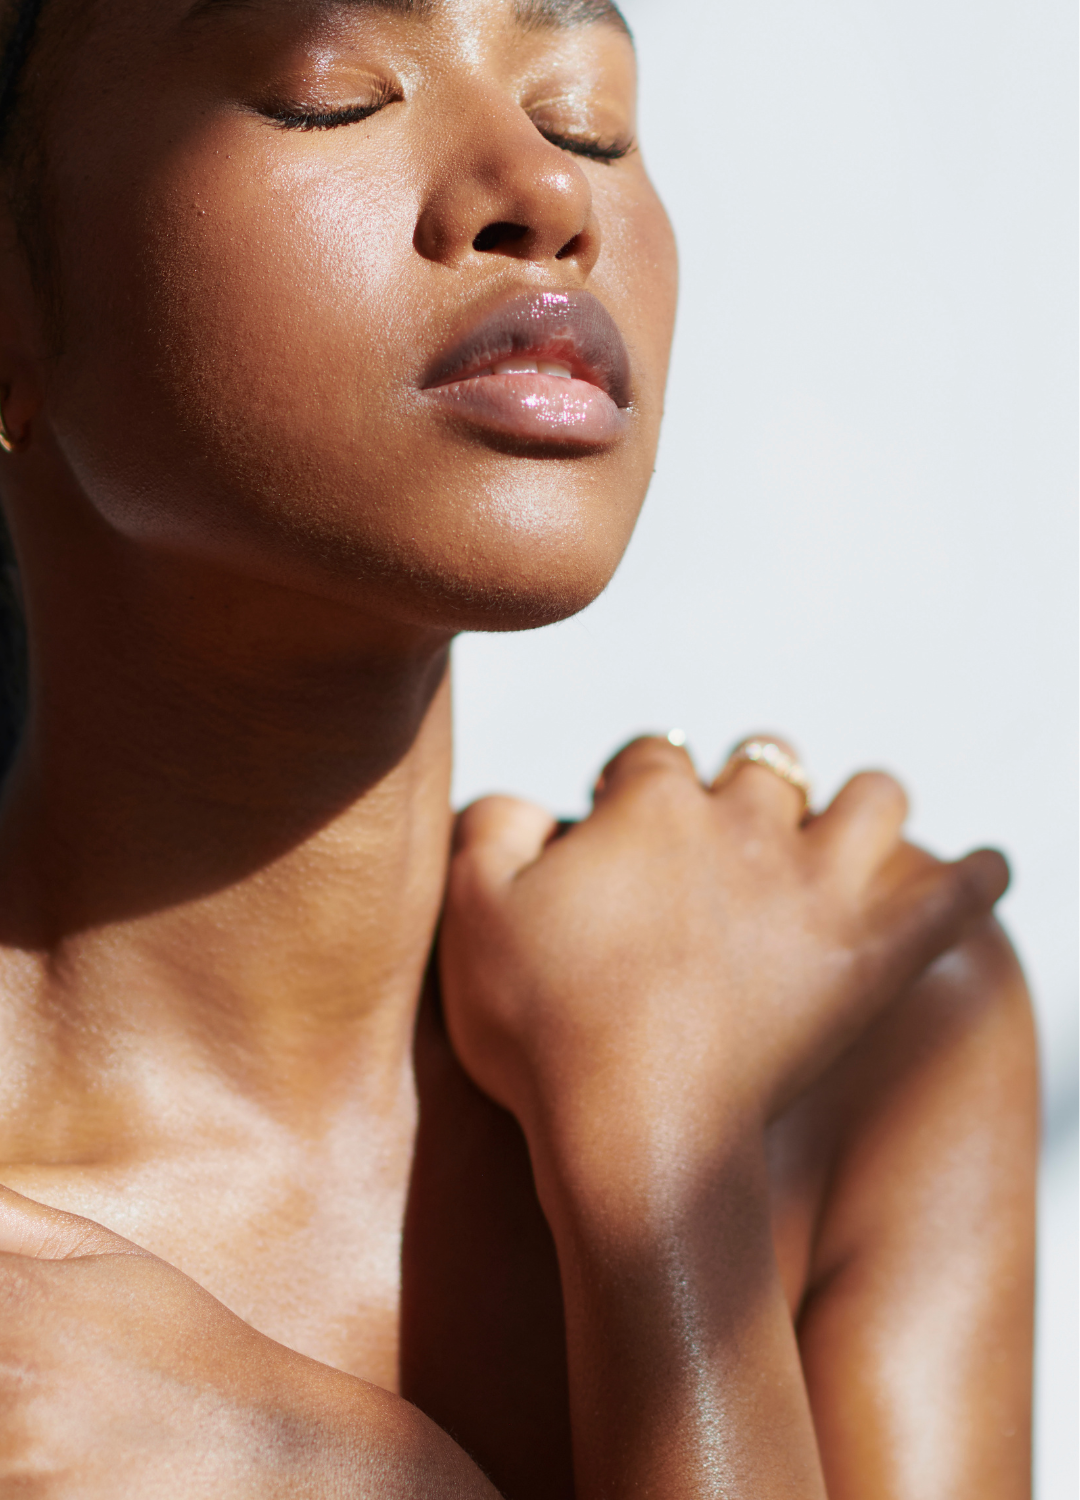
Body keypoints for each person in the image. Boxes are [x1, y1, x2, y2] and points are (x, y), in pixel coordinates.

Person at [0, 0, 1037, 1495]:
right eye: (333, 94)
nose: (549, 195)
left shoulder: (860, 1033)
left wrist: (664, 1144)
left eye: (588, 118)